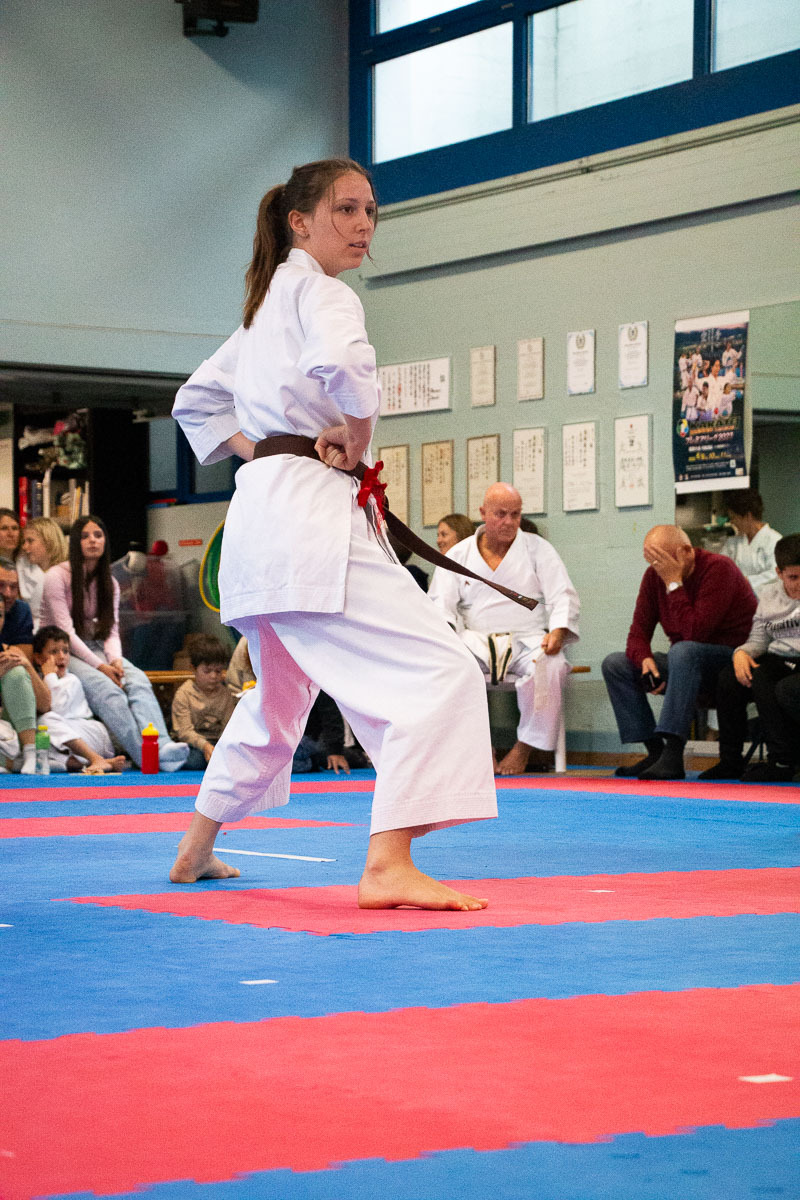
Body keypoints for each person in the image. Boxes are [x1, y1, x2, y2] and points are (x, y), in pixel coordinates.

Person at [170, 157, 497, 910]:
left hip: (261, 523)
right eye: (346, 209)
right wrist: (355, 436)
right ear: (300, 221)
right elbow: (346, 365)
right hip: (311, 524)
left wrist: (264, 449)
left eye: (371, 211)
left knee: (278, 702)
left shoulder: (262, 312)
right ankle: (388, 863)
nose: (362, 225)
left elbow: (196, 402)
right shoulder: (322, 293)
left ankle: (194, 850)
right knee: (445, 669)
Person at [429, 483, 580, 776]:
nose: (509, 522)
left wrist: (558, 631)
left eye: (515, 514)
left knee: (553, 664)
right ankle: (478, 747)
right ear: (483, 513)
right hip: (474, 640)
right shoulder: (459, 553)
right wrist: (447, 635)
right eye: (500, 514)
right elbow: (440, 603)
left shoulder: (538, 549)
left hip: (528, 639)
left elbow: (562, 594)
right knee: (447, 664)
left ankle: (523, 748)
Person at [601, 525, 758, 781]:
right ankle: (655, 751)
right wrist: (645, 660)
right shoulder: (654, 576)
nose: (657, 567)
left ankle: (674, 752)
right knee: (616, 664)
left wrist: (674, 584)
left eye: (662, 560)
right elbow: (637, 633)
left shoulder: (719, 569)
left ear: (686, 552)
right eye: (652, 560)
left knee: (683, 651)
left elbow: (696, 632)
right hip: (686, 660)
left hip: (731, 660)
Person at [39, 514, 190, 772]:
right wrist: (102, 667)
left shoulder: (110, 582)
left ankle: (162, 745)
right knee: (109, 691)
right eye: (85, 536)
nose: (92, 541)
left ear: (105, 542)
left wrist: (116, 662)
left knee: (137, 679)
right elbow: (66, 632)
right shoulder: (56, 576)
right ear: (75, 542)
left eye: (98, 535)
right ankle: (146, 756)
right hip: (62, 650)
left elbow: (110, 631)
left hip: (96, 647)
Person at [698, 533, 800, 783]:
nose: (799, 584)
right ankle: (730, 761)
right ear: (779, 573)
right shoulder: (769, 596)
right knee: (729, 678)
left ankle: (781, 760)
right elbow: (758, 640)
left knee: (765, 679)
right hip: (780, 658)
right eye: (793, 578)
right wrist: (741, 653)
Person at [32, 625, 126, 773]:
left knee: (45, 720)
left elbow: (56, 709)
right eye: (54, 652)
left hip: (91, 733)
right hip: (69, 738)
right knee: (39, 743)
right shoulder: (39, 680)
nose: (62, 656)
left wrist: (50, 676)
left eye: (65, 651)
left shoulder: (71, 680)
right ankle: (100, 763)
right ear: (38, 658)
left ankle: (95, 758)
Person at [0, 578, 50, 773]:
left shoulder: (10, 653)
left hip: (10, 733)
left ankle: (31, 754)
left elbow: (45, 705)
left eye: (0, 615)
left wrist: (27, 667)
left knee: (16, 672)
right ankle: (17, 764)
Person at [171, 635, 237, 770]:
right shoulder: (183, 694)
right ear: (193, 668)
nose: (213, 676)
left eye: (218, 671)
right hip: (192, 744)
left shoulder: (226, 694)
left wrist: (221, 748)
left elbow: (228, 728)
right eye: (207, 671)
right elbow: (184, 732)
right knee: (195, 760)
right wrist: (205, 745)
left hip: (217, 742)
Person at [720, 488, 782, 596]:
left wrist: (745, 581)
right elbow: (720, 567)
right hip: (737, 600)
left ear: (748, 516)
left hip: (766, 600)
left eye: (734, 518)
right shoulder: (733, 542)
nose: (732, 522)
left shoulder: (774, 541)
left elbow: (775, 574)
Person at [16, 517, 68, 630]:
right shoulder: (23, 567)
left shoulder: (67, 574)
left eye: (30, 541)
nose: (24, 547)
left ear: (49, 542)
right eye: (24, 542)